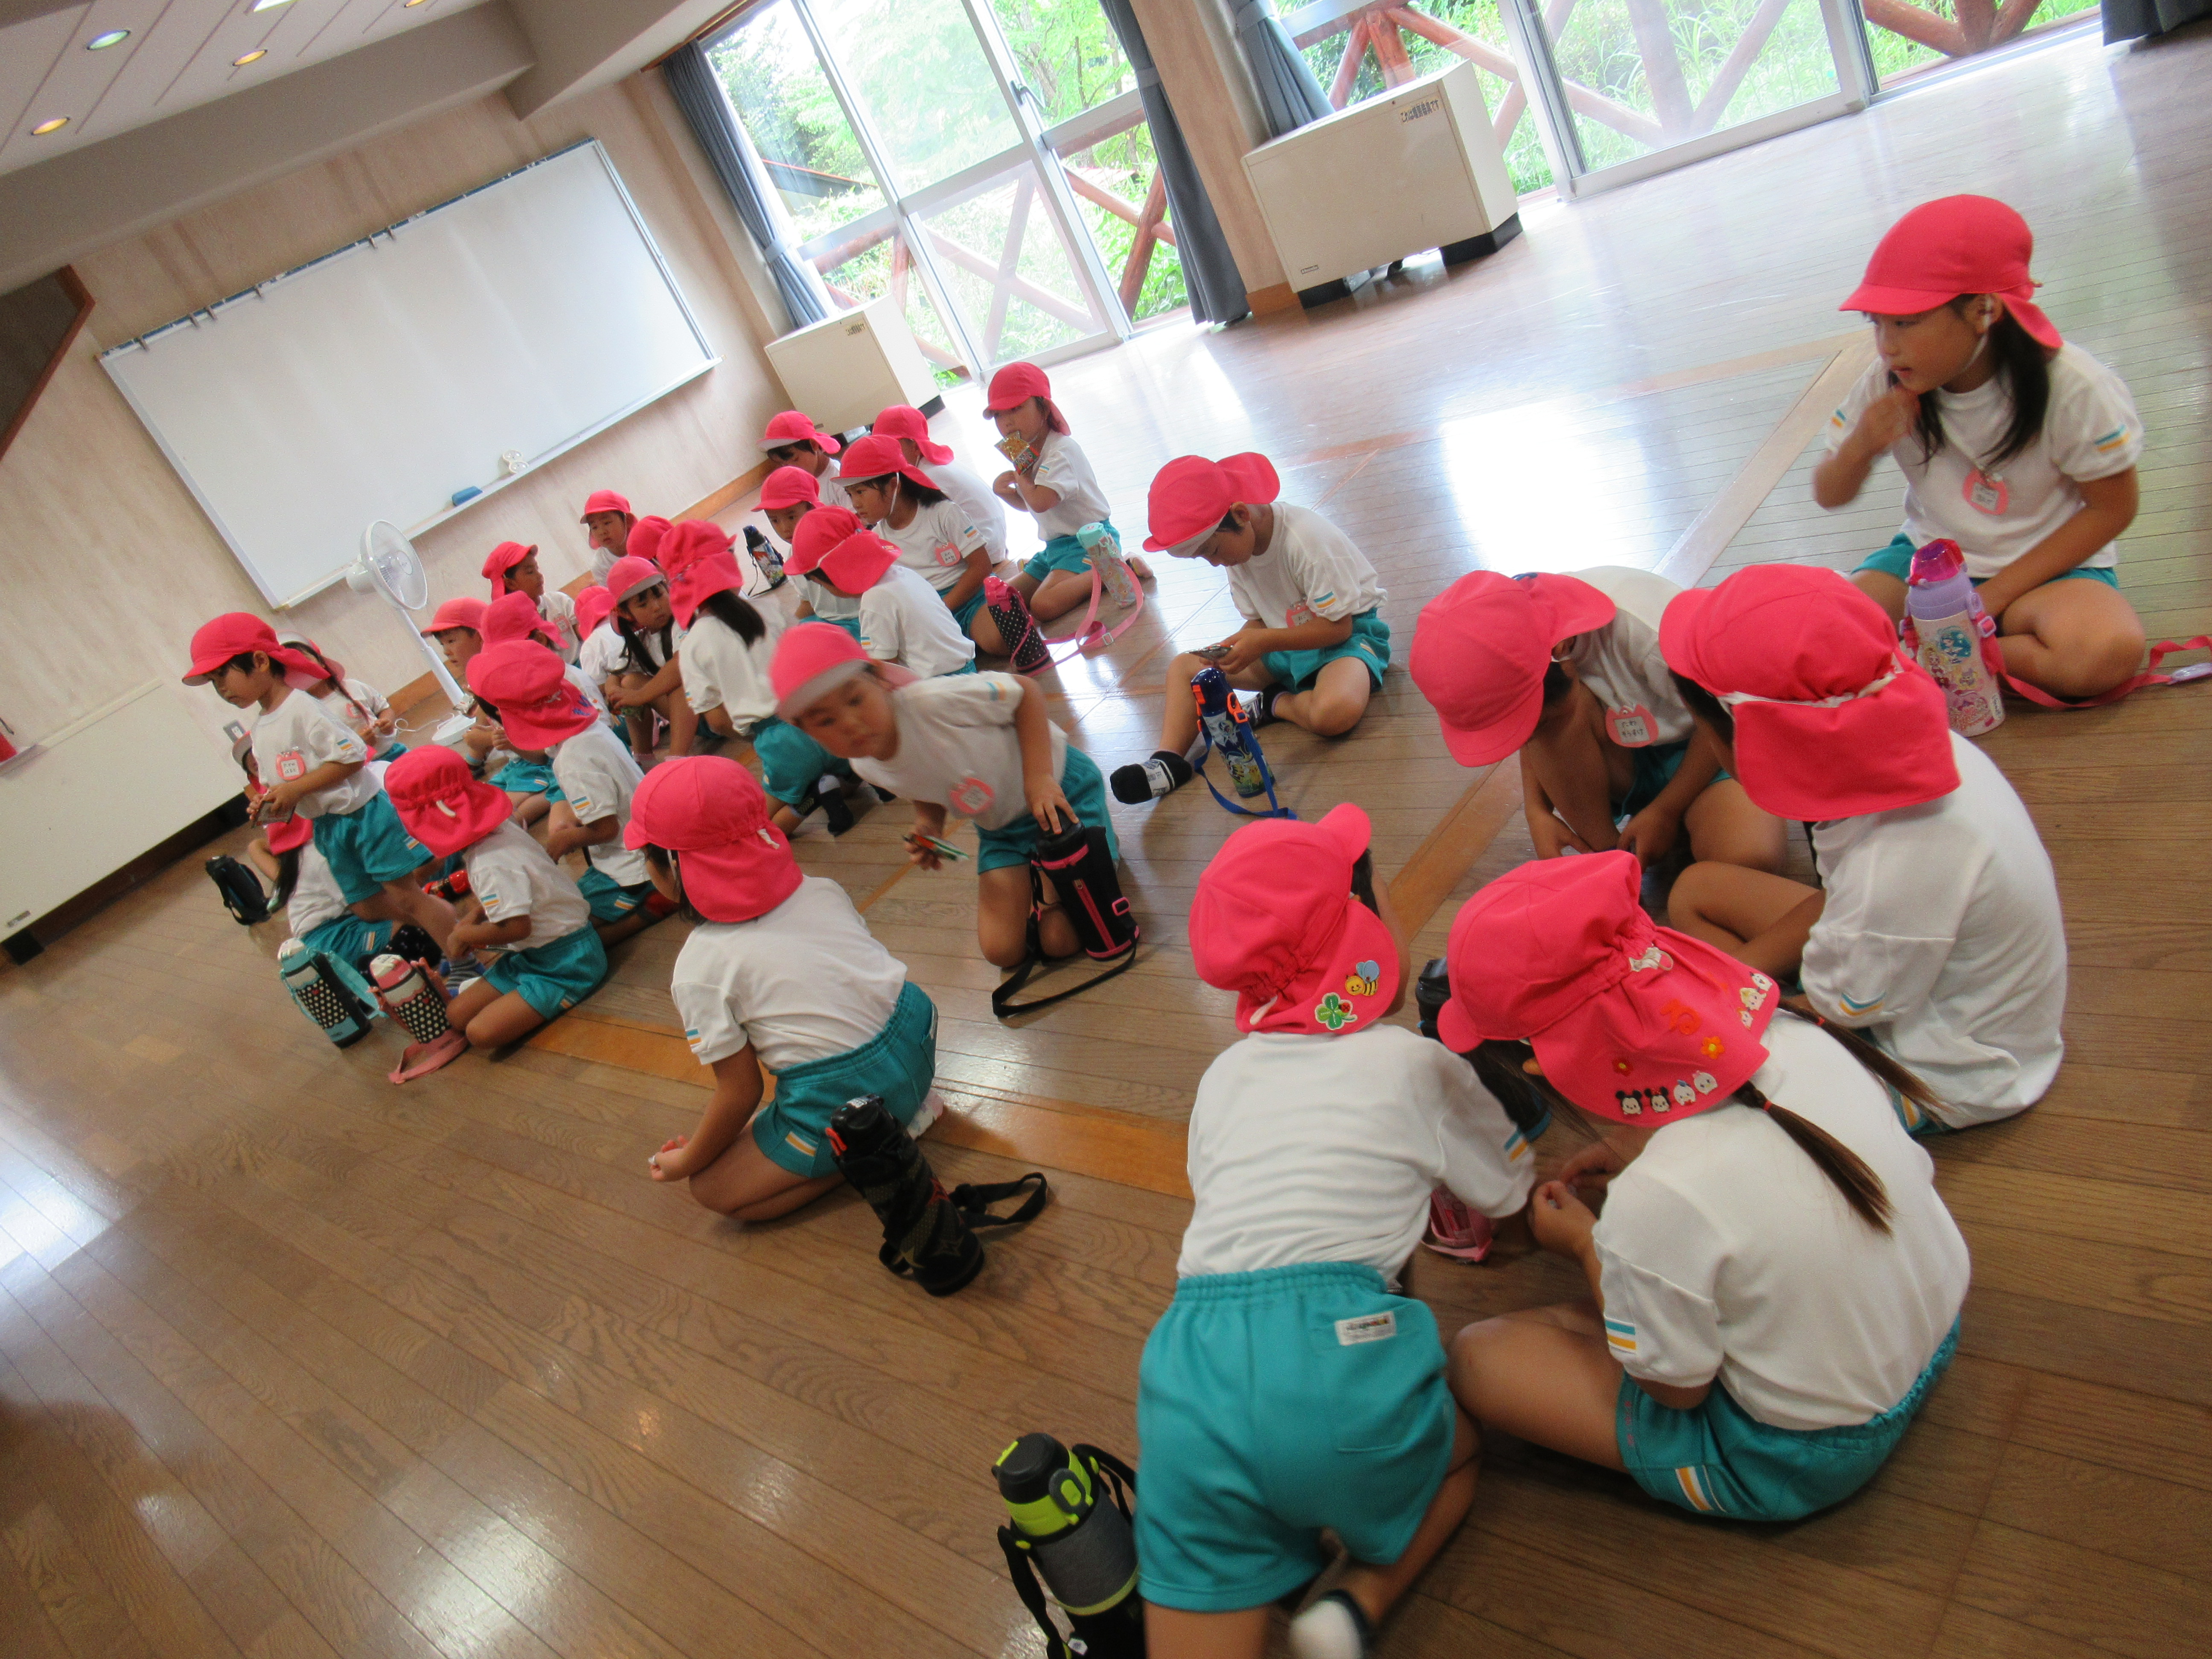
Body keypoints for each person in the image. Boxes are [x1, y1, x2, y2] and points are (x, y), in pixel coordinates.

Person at [1438, 852, 1970, 1523]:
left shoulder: (1653, 1200)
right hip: (1937, 1326)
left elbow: (1677, 1392)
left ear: (1539, 1067)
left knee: (1478, 1358)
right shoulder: (1803, 1037)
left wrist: (1586, 1245)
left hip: (1811, 1455)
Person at [1136, 805, 1533, 1659]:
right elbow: (1510, 1194)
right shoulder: (1414, 1063)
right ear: (1363, 926)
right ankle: (1354, 1604)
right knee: (1457, 1459)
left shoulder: (1222, 1078)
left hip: (1186, 1371)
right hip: (1339, 1358)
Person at [1659, 562, 2066, 1131]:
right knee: (1697, 892)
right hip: (1900, 961)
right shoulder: (1900, 754)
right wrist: (1738, 980)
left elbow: (1845, 1000)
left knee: (1705, 1087)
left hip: (1952, 1070)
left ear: (1744, 742)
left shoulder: (1895, 861)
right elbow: (1845, 899)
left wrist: (1719, 1012)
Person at [1818, 195, 2146, 701]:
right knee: (1828, 634)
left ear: (1982, 310)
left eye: (1905, 323)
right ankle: (1956, 655)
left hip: (2049, 572)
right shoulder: (1885, 382)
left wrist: (1992, 597)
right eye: (1876, 322)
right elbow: (1829, 493)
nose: (1888, 345)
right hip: (1930, 565)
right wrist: (1861, 446)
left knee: (2106, 651)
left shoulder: (2075, 386)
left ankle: (1926, 660)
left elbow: (2114, 508)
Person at [632, 756, 943, 1221]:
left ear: (674, 867)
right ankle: (902, 1110)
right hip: (918, 1035)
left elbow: (741, 1093)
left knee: (712, 1189)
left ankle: (880, 1140)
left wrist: (689, 1159)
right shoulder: (819, 887)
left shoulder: (699, 967)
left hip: (854, 1091)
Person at [772, 623, 1116, 969]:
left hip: (1061, 793)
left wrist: (1040, 777)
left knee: (1059, 940)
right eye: (826, 721)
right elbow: (920, 785)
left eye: (855, 699)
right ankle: (1043, 876)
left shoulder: (931, 703)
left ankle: (1067, 867)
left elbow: (1025, 691)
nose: (850, 723)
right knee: (1001, 951)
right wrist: (929, 823)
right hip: (1001, 829)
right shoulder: (864, 765)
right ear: (806, 732)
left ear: (879, 678)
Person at [1405, 568, 1785, 870]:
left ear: (1561, 648)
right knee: (1554, 722)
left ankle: (1678, 820)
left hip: (1712, 746)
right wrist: (1536, 810)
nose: (1527, 738)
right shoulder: (1520, 629)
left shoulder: (1648, 632)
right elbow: (1533, 726)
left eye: (1532, 725)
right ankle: (1611, 861)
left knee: (1751, 858)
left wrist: (1666, 810)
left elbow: (1726, 723)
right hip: (1629, 753)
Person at [1111, 452, 1391, 806]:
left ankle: (1276, 704)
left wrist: (1261, 641)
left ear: (1242, 514)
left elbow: (1338, 628)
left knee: (1334, 714)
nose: (1214, 563)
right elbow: (1259, 620)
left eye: (1212, 551)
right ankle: (1167, 761)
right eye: (1203, 557)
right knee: (1185, 667)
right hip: (1284, 645)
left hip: (1345, 641)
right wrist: (1237, 646)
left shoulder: (1305, 540)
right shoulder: (1238, 550)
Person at [183, 615, 456, 947]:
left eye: (223, 675)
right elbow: (278, 784)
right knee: (367, 906)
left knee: (406, 894)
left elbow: (353, 757)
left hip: (363, 815)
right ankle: (447, 928)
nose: (222, 689)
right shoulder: (262, 729)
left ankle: (460, 952)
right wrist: (268, 802)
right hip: (328, 827)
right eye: (214, 682)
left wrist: (296, 789)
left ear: (260, 661)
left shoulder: (302, 708)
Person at [385, 745, 608, 1048]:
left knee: (481, 1034)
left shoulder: (489, 863)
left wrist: (464, 935)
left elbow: (518, 928)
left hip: (567, 961)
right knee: (457, 1015)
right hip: (533, 953)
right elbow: (509, 899)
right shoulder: (496, 828)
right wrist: (474, 917)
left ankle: (563, 988)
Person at [660, 517, 860, 838]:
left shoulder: (693, 644)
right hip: (819, 719)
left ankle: (805, 803)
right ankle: (837, 781)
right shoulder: (770, 607)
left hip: (777, 740)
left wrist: (754, 737)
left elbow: (718, 722)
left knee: (759, 828)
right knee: (843, 770)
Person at [468, 641, 666, 947]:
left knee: (571, 936)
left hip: (634, 866)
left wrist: (565, 840)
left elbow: (607, 829)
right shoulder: (583, 728)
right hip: (642, 845)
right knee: (574, 904)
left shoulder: (573, 758)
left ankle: (653, 906)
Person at [983, 361, 1140, 649]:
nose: (1007, 422)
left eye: (1016, 409)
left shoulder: (1060, 452)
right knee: (1005, 597)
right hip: (1056, 548)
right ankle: (1093, 573)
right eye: (998, 415)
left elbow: (1041, 501)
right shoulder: (1030, 451)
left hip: (1088, 541)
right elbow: (1033, 505)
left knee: (1043, 606)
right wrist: (1007, 494)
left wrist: (1020, 476)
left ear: (1044, 408)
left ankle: (1117, 566)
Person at [837, 432, 1004, 652]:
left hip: (970, 599)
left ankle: (1005, 601)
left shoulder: (942, 513)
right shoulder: (877, 538)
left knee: (997, 641)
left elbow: (981, 566)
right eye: (850, 494)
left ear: (893, 485)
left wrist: (942, 609)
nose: (856, 503)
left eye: (860, 492)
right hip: (927, 611)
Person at [790, 507, 977, 681]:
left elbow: (885, 672)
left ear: (834, 575)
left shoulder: (875, 600)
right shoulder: (902, 573)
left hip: (940, 685)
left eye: (821, 585)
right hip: (967, 669)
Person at [872, 402, 1007, 559]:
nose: (884, 454)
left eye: (892, 447)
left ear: (916, 447)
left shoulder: (926, 477)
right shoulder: (932, 463)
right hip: (992, 539)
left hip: (983, 550)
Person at [605, 553, 696, 759]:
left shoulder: (683, 621)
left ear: (667, 588)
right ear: (626, 614)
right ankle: (643, 757)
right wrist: (615, 692)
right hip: (688, 718)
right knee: (629, 683)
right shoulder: (643, 640)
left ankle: (677, 757)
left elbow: (680, 665)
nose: (656, 606)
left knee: (679, 683)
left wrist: (640, 696)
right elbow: (616, 675)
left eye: (659, 595)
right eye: (643, 604)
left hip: (712, 708)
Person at [759, 464, 856, 636]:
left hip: (860, 619)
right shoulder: (793, 556)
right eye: (775, 521)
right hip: (825, 622)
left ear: (811, 507)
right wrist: (787, 629)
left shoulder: (838, 539)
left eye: (791, 517)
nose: (785, 528)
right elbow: (809, 602)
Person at [279, 633, 406, 760]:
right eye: (293, 668)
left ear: (322, 663)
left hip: (393, 750)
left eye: (306, 660)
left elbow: (384, 709)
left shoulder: (353, 687)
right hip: (363, 765)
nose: (303, 669)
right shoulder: (307, 711)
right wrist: (359, 744)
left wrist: (387, 722)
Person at [481, 541, 580, 664]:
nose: (540, 576)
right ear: (511, 583)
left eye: (537, 569)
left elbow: (582, 632)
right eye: (530, 572)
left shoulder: (559, 601)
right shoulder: (513, 625)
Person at [760, 411, 852, 509]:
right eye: (784, 465)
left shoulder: (838, 479)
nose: (792, 470)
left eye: (796, 460)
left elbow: (857, 518)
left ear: (814, 445)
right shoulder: (797, 484)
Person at [580, 489, 636, 586]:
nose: (602, 532)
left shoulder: (644, 543)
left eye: (607, 523)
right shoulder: (601, 565)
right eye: (595, 527)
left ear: (628, 521)